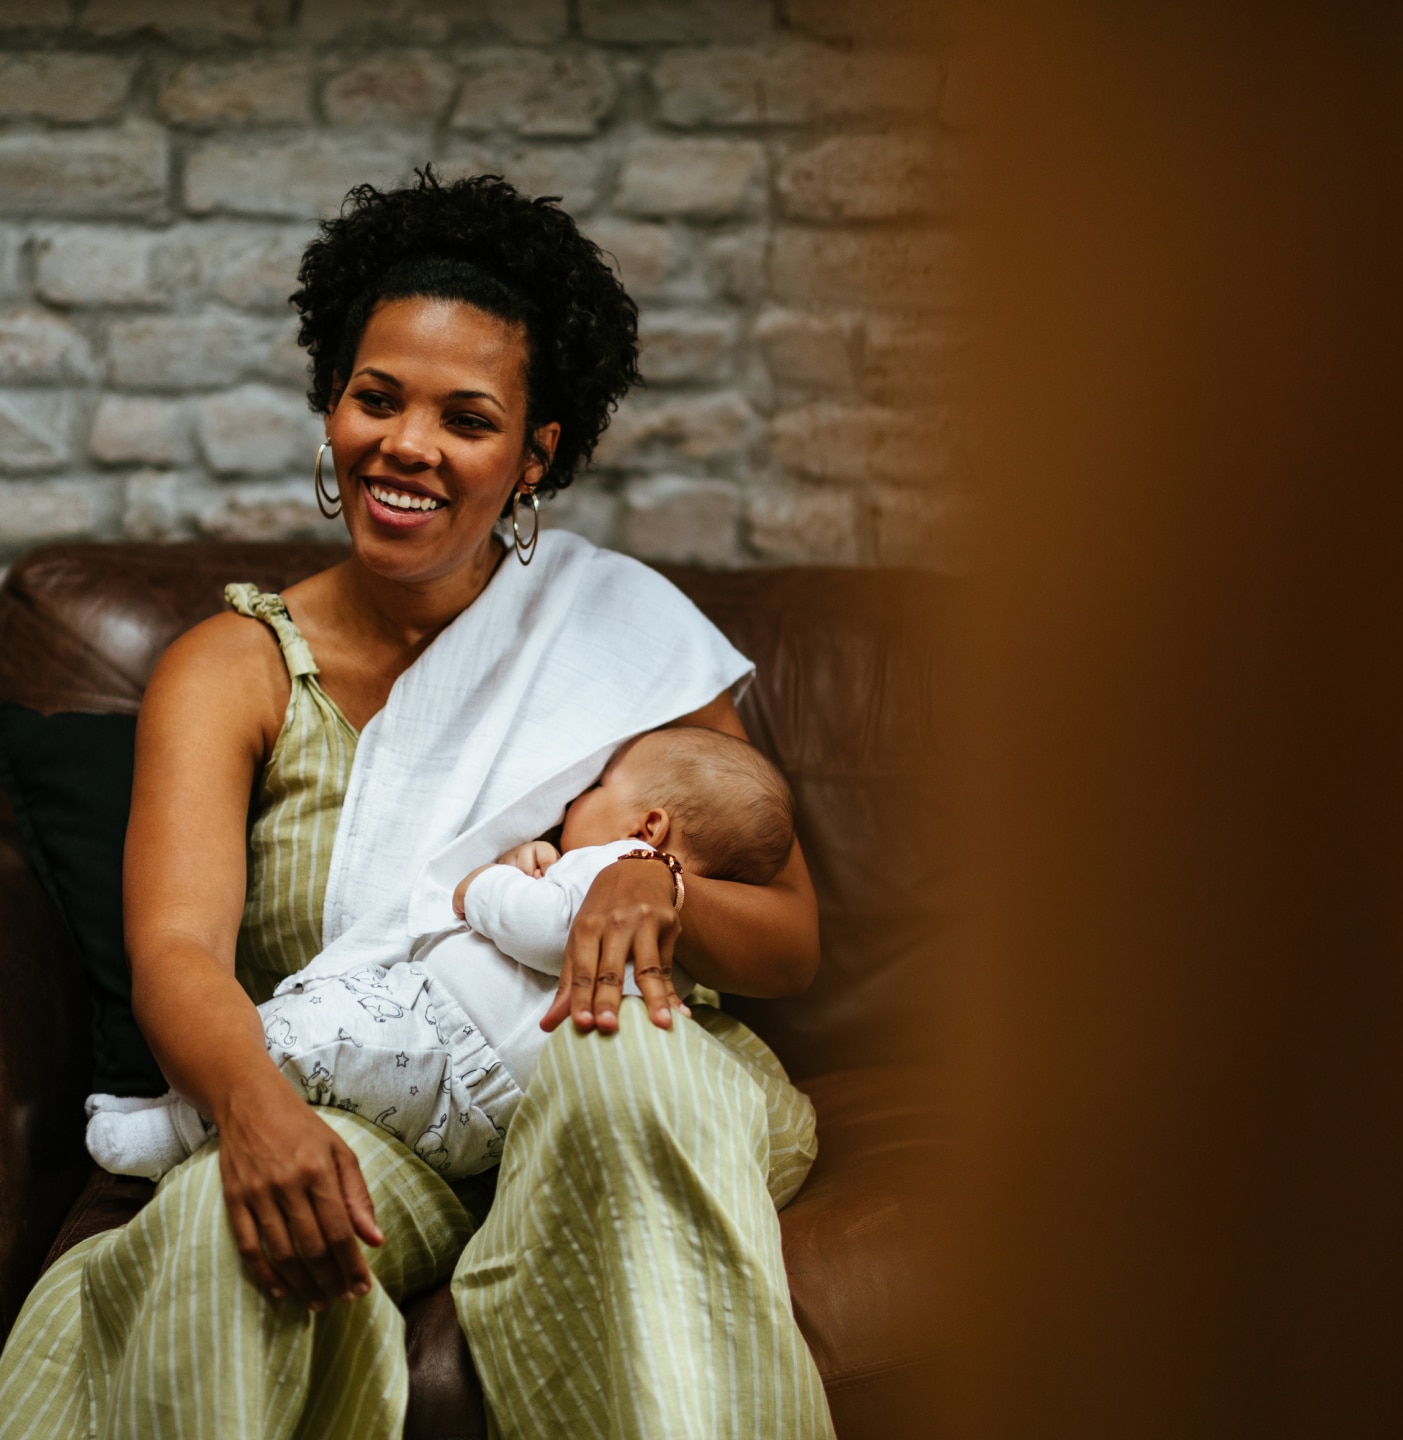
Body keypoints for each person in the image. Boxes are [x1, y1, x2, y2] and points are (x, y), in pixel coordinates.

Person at [0, 168, 835, 1440]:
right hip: (378, 1102)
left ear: (534, 453)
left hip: (622, 1063)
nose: (408, 446)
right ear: (331, 410)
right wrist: (259, 1118)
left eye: (468, 417)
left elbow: (792, 941)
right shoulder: (231, 671)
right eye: (376, 399)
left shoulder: (612, 634)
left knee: (622, 1095)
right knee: (228, 1243)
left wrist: (651, 888)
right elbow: (176, 952)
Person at [84, 728, 796, 1183]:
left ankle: (171, 1128)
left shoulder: (620, 867)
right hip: (489, 1112)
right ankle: (181, 1111)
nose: (577, 797)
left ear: (649, 825)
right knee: (320, 1063)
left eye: (598, 788)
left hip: (446, 1042)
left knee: (313, 1034)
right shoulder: (680, 941)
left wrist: (483, 885)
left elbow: (546, 928)